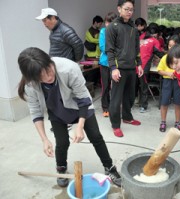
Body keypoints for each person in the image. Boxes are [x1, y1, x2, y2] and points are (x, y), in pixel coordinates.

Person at [17, 47, 122, 187]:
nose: (48, 77)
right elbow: (36, 112)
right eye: (41, 76)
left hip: (80, 106)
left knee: (96, 136)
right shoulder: (30, 84)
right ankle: (61, 167)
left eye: (48, 70)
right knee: (62, 142)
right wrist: (44, 139)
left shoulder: (68, 68)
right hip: (56, 110)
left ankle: (109, 167)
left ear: (49, 61)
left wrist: (80, 126)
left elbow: (83, 98)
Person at [106, 0, 143, 137]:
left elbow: (136, 48)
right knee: (116, 99)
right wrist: (113, 68)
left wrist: (139, 63)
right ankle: (115, 125)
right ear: (119, 9)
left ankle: (127, 117)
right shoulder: (113, 27)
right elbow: (109, 50)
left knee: (130, 96)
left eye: (131, 9)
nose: (129, 12)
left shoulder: (133, 27)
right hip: (119, 69)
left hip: (131, 68)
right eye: (126, 9)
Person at [157, 35, 180, 132]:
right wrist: (168, 73)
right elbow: (159, 70)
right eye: (169, 46)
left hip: (178, 82)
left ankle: (177, 122)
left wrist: (178, 73)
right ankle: (163, 121)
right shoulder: (165, 58)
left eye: (173, 46)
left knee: (178, 103)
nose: (171, 48)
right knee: (164, 103)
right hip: (167, 82)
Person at [138, 26, 164, 113]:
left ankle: (131, 103)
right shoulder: (154, 40)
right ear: (156, 33)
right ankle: (143, 105)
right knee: (144, 86)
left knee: (133, 85)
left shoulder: (140, 37)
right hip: (143, 66)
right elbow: (159, 53)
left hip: (133, 64)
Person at [99, 12, 118, 118]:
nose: (107, 24)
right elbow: (103, 47)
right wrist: (114, 50)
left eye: (110, 22)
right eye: (106, 22)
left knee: (116, 86)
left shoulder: (119, 32)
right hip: (105, 63)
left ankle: (114, 106)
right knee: (105, 86)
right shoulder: (103, 32)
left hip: (116, 64)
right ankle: (105, 107)